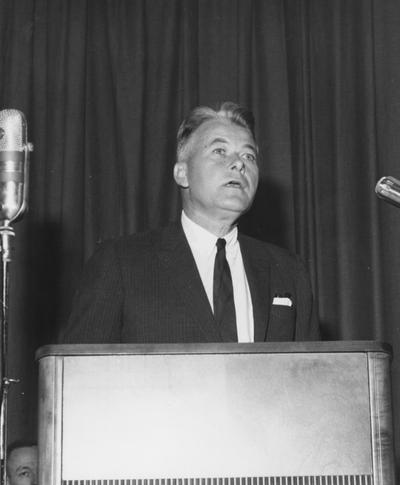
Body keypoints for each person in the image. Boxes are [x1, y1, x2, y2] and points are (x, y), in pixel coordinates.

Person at [59, 102, 319, 343]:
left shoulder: (288, 271)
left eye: (249, 156)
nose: (239, 164)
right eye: (219, 151)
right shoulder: (120, 263)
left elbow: (314, 380)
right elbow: (77, 377)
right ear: (182, 173)